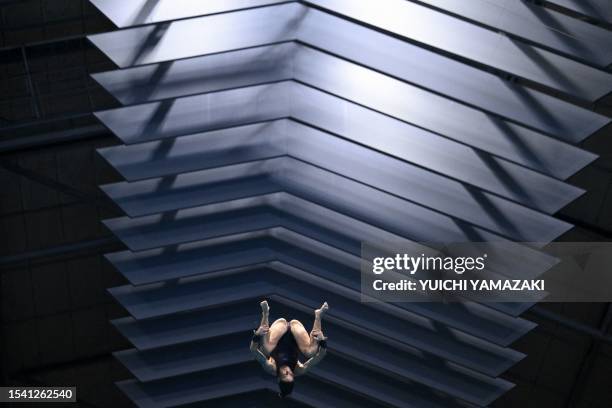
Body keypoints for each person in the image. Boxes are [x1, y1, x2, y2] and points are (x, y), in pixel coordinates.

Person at [249, 300, 328, 398]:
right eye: (291, 375)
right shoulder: (299, 370)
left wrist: (257, 335)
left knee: (266, 349)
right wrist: (322, 341)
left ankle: (265, 313)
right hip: (295, 328)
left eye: (286, 375)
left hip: (280, 327)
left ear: (279, 379)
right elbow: (321, 355)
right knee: (311, 352)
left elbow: (253, 350)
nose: (289, 372)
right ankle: (318, 315)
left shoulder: (271, 367)